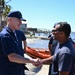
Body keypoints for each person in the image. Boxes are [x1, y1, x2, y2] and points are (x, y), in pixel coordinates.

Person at [0, 11, 39, 75]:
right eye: (19, 20)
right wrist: (32, 60)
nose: (21, 23)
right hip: (9, 71)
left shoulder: (13, 34)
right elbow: (12, 57)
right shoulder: (6, 35)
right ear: (10, 20)